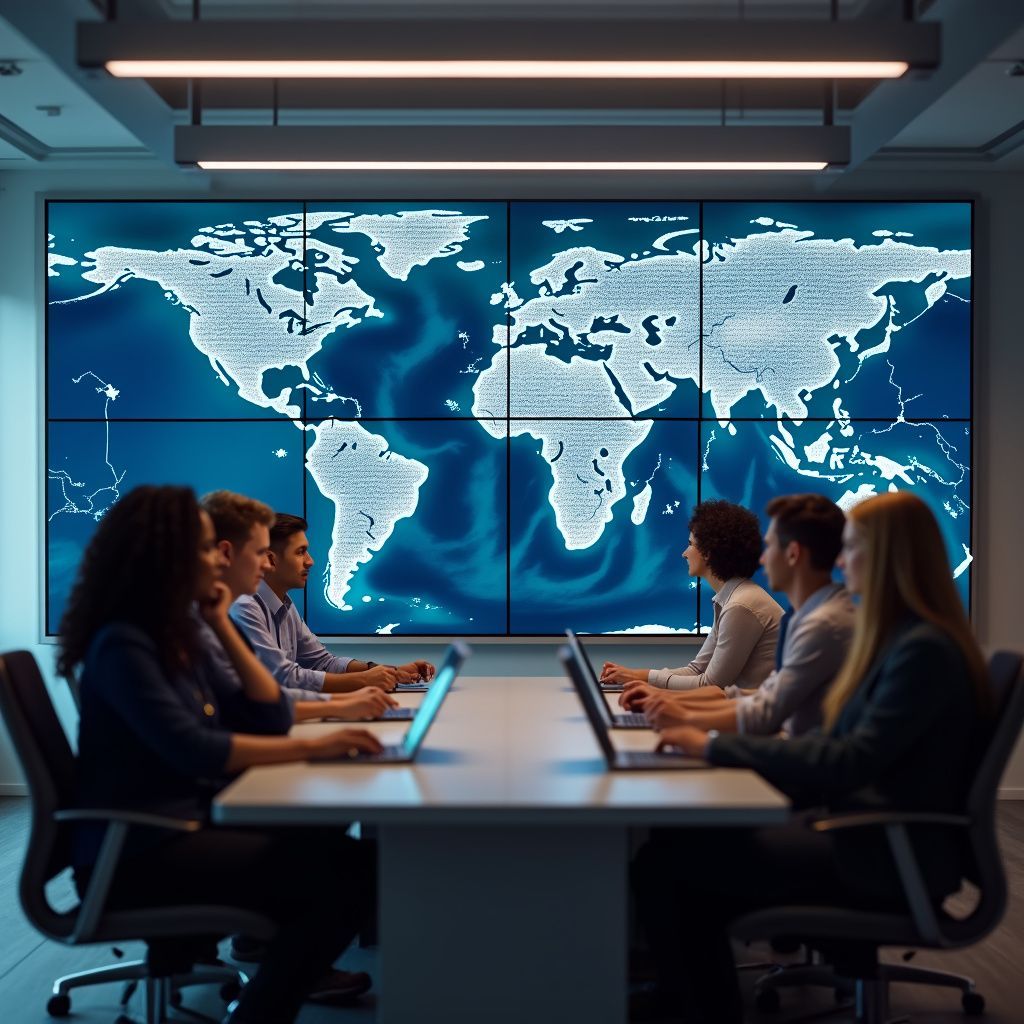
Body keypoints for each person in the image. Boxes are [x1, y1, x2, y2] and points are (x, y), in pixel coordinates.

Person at [630, 491, 991, 1024]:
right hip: (869, 830)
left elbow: (847, 760)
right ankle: (685, 1000)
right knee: (676, 844)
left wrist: (710, 745)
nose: (840, 561)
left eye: (852, 548)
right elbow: (836, 745)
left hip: (886, 853)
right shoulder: (903, 638)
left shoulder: (921, 650)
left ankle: (692, 1008)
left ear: (887, 557)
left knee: (666, 868)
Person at [61, 485, 385, 1024]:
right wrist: (323, 741)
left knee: (343, 857)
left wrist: (218, 626)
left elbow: (267, 714)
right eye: (207, 548)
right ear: (171, 556)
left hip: (180, 825)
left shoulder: (181, 631)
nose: (220, 559)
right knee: (346, 876)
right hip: (139, 851)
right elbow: (195, 750)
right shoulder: (126, 642)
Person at [638, 494, 855, 737]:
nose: (762, 558)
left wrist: (687, 720)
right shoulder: (804, 617)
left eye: (770, 546)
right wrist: (674, 703)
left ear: (793, 554)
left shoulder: (821, 625)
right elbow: (766, 695)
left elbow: (766, 712)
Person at [200, 491, 398, 724]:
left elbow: (267, 697)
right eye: (260, 553)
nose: (267, 565)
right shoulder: (238, 609)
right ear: (225, 553)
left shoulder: (264, 606)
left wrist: (373, 676)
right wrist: (347, 698)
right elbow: (274, 687)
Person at [233, 513, 435, 696]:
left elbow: (322, 662)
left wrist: (392, 672)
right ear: (271, 560)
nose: (310, 561)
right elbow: (283, 677)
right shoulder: (244, 607)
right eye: (300, 552)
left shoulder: (284, 605)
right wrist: (365, 681)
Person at [602, 499, 783, 694]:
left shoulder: (741, 606)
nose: (684, 553)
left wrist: (642, 682)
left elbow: (711, 685)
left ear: (707, 552)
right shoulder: (735, 597)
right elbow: (696, 670)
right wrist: (636, 675)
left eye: (690, 544)